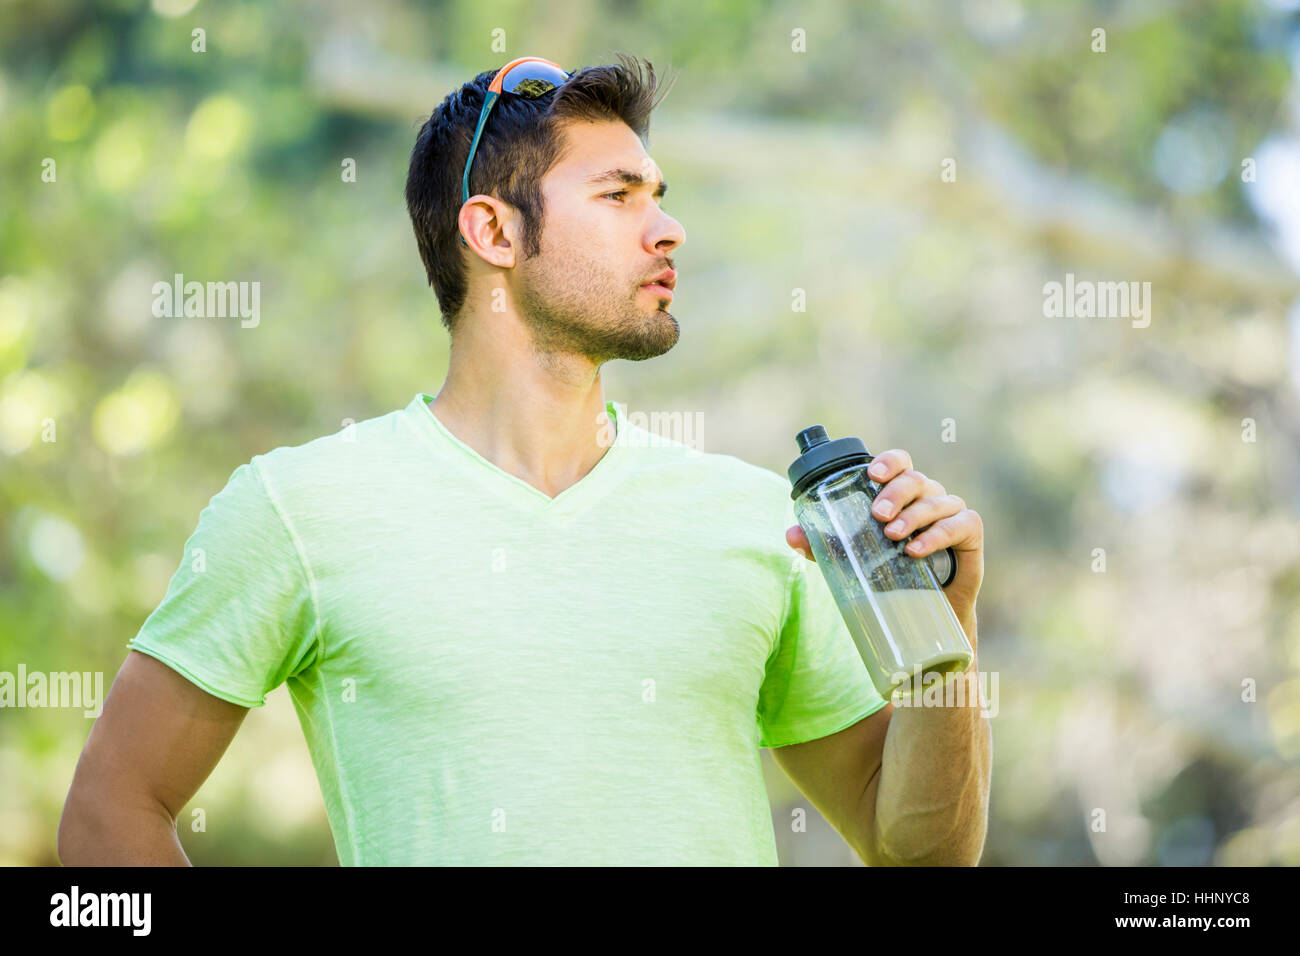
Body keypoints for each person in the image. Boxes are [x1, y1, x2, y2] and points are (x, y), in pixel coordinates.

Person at [58, 52, 989, 866]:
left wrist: (945, 640)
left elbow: (915, 850)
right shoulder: (299, 509)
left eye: (659, 198)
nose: (667, 231)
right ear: (493, 233)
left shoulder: (762, 523)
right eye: (618, 196)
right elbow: (110, 814)